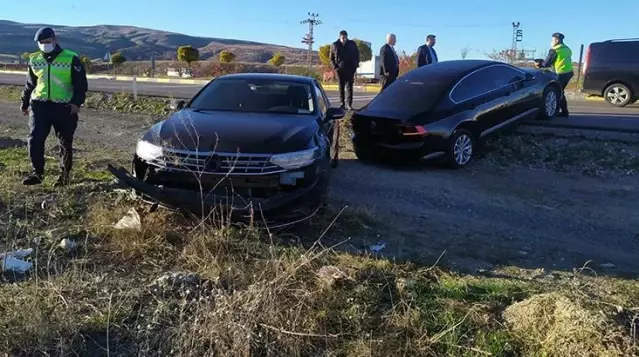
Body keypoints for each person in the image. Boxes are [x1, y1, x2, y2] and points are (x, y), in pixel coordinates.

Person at [20, 27, 88, 186]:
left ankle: (64, 176)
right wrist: (24, 102)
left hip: (64, 108)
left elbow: (81, 85)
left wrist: (76, 103)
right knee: (34, 140)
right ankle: (37, 173)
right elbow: (30, 83)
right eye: (41, 43)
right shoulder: (34, 59)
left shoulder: (71, 58)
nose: (44, 45)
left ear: (55, 40)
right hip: (39, 106)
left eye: (47, 42)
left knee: (64, 142)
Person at [536, 32, 573, 117]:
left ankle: (561, 112)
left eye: (552, 40)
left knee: (558, 92)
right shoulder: (567, 48)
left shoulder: (555, 49)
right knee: (560, 91)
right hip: (568, 72)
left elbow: (547, 63)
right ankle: (563, 111)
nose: (551, 41)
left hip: (560, 73)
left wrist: (539, 64)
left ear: (557, 40)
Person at [329, 30, 360, 110]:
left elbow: (357, 55)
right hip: (340, 69)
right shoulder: (335, 45)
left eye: (345, 38)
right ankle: (342, 104)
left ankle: (349, 104)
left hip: (350, 68)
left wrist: (355, 65)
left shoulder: (352, 44)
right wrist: (335, 67)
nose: (344, 40)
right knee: (341, 87)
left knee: (349, 87)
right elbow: (331, 58)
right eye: (343, 38)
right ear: (339, 37)